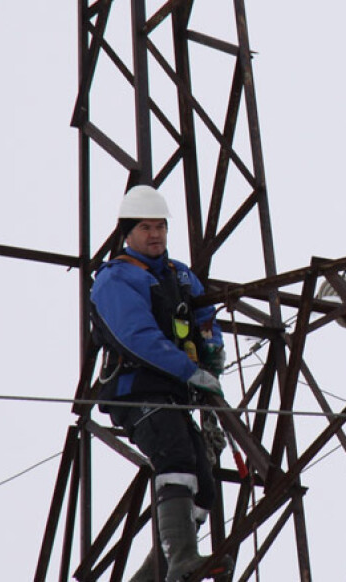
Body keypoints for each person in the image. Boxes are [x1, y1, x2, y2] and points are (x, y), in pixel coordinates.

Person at [89, 184, 231, 582]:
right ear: (127, 233)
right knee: (175, 460)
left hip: (173, 393)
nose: (154, 235)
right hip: (137, 390)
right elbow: (137, 336)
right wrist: (190, 371)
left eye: (160, 227)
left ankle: (163, 571)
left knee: (203, 488)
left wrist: (212, 354)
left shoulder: (179, 275)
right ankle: (182, 559)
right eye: (145, 228)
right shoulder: (117, 279)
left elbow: (206, 321)